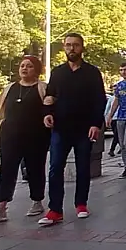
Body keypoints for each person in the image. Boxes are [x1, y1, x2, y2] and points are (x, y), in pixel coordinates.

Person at [39, 33, 107, 226]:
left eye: (75, 45)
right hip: (61, 128)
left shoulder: (92, 72)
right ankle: (55, 210)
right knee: (55, 167)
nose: (72, 48)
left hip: (84, 129)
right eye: (68, 45)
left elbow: (99, 100)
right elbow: (50, 96)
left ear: (82, 48)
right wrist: (47, 113)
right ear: (64, 47)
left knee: (83, 167)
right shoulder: (58, 72)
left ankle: (81, 204)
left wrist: (96, 124)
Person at [0, 56, 49, 221]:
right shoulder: (9, 89)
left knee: (35, 169)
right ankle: (1, 206)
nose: (25, 69)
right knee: (7, 170)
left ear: (37, 70)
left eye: (29, 66)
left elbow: (49, 111)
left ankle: (37, 201)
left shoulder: (42, 88)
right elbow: (0, 113)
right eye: (22, 66)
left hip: (36, 137)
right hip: (10, 136)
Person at [105, 84, 121, 158]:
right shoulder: (111, 98)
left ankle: (112, 150)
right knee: (116, 135)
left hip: (120, 118)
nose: (115, 91)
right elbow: (107, 108)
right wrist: (107, 116)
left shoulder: (121, 97)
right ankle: (122, 147)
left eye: (116, 89)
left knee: (117, 135)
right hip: (113, 118)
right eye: (114, 89)